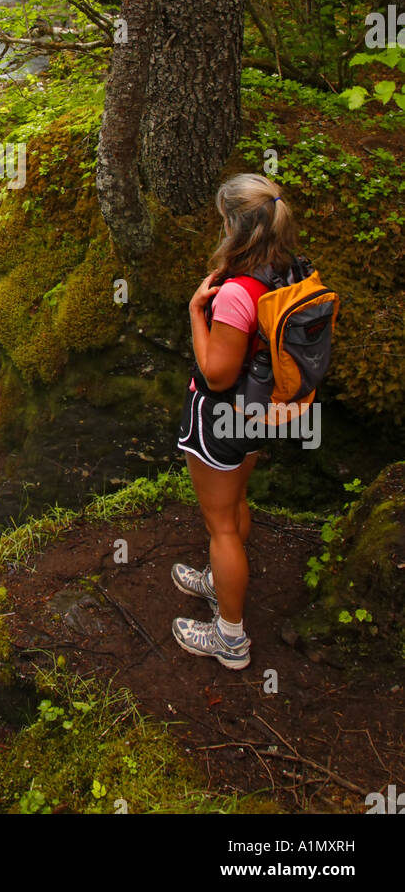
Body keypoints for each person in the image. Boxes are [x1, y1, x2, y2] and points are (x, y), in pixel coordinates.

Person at [171, 172, 302, 670]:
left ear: (232, 223)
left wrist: (195, 314)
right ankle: (216, 579)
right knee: (237, 500)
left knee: (221, 526)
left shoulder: (236, 292)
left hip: (223, 414)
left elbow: (217, 373)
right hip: (261, 409)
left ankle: (230, 639)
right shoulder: (285, 271)